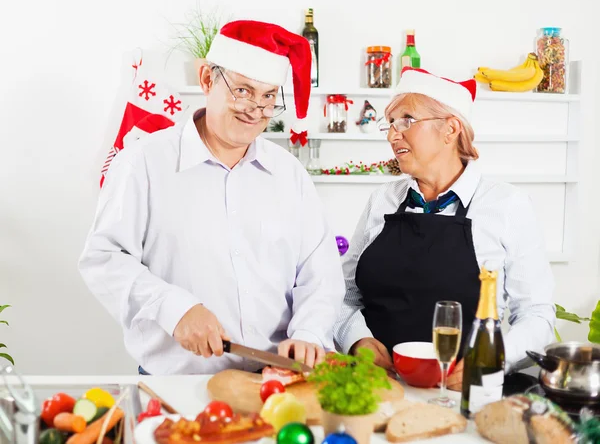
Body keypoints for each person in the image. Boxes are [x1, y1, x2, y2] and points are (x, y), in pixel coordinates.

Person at [79, 20, 345, 375]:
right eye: (243, 91)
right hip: (177, 383)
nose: (255, 109)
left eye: (268, 97)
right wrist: (173, 308)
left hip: (276, 382)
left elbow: (320, 272)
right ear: (206, 79)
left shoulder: (289, 173)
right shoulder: (143, 162)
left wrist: (309, 331)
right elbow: (104, 259)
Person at [333, 67, 556, 390]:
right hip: (377, 388)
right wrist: (358, 341)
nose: (392, 134)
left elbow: (536, 314)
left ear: (450, 129)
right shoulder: (382, 199)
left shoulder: (507, 205)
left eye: (406, 120)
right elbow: (344, 294)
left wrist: (490, 360)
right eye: (390, 123)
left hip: (464, 391)